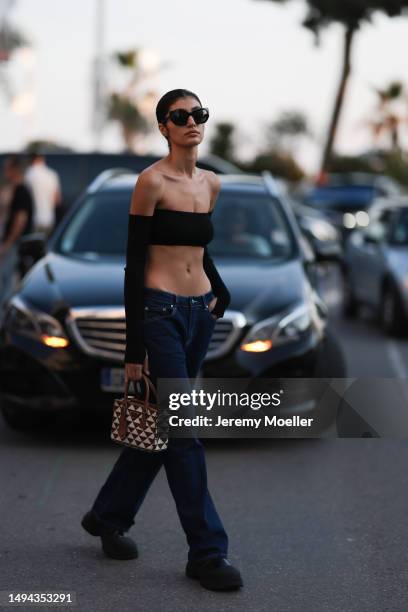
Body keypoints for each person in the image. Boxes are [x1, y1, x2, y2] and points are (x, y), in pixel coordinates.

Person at [81, 89, 243, 591]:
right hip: (160, 313)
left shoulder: (211, 183)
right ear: (163, 127)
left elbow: (198, 248)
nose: (192, 121)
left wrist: (220, 291)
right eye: (180, 116)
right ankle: (207, 552)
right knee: (184, 430)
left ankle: (107, 516)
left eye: (199, 114)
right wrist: (134, 353)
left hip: (200, 314)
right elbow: (135, 265)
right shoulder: (150, 182)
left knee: (162, 424)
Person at [0, 154, 33, 315]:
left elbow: (20, 221)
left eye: (7, 168)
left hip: (14, 244)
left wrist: (6, 244)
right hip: (11, 243)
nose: (4, 171)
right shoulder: (14, 190)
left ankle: (5, 321)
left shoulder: (21, 191)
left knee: (7, 285)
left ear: (14, 169)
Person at [25, 151, 62, 236]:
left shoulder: (29, 173)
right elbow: (57, 199)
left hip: (34, 220)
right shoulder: (52, 174)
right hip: (50, 220)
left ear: (31, 160)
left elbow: (24, 197)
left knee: (33, 246)